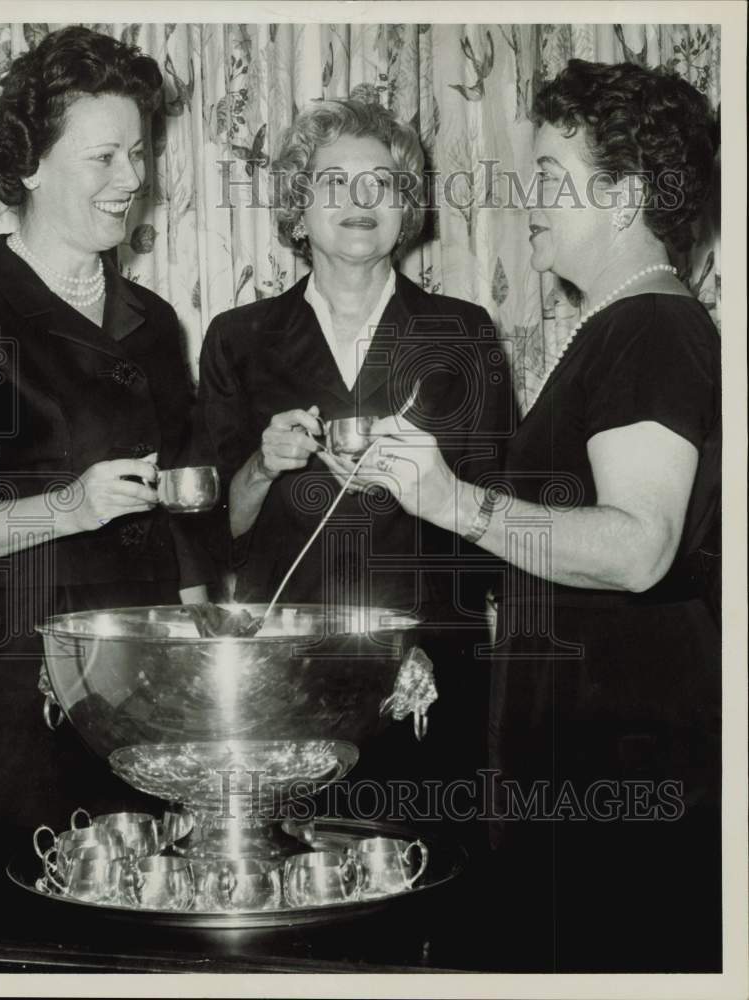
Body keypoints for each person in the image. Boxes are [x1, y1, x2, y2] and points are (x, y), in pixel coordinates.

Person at [354, 61, 721, 970]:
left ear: (628, 196)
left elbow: (638, 547)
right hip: (589, 765)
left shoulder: (652, 331)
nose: (531, 200)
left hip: (623, 775)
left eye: (553, 177)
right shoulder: (620, 327)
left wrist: (455, 500)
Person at [195, 99, 512, 809]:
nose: (360, 200)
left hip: (429, 673)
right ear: (298, 208)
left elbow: (497, 519)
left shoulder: (461, 333)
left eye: (383, 183)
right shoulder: (239, 338)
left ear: (407, 208)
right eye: (334, 181)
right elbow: (211, 532)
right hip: (288, 675)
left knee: (433, 884)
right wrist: (262, 465)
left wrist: (432, 646)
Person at [0, 27, 208, 890]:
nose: (133, 181)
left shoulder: (153, 319)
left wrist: (201, 665)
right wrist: (71, 506)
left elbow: (183, 522)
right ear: (28, 164)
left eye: (137, 154)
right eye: (103, 156)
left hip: (142, 690)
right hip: (10, 698)